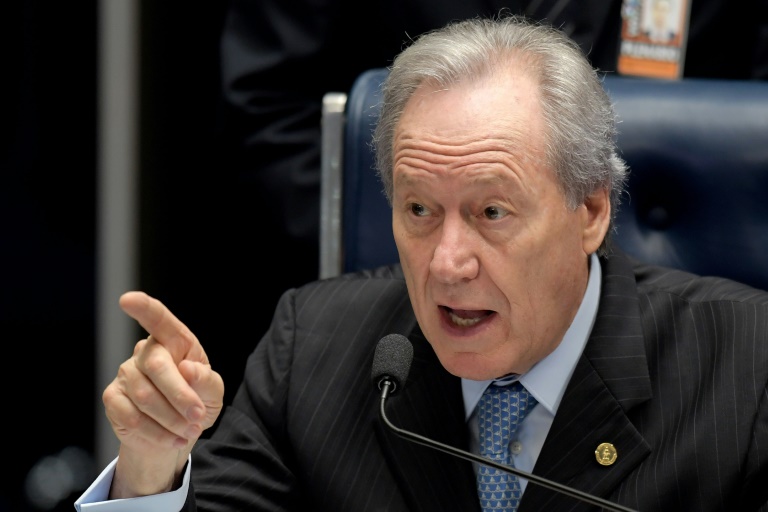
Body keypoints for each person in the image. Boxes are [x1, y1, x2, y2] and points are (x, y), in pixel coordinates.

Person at [76, 15, 768, 511]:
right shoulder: (313, 349)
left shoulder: (746, 364)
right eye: (419, 210)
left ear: (589, 211)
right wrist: (151, 470)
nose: (447, 263)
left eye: (491, 212)